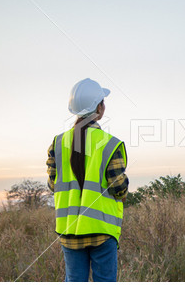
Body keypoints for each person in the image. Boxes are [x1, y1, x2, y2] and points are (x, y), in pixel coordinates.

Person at [46, 78, 129, 282]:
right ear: (99, 108)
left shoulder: (57, 143)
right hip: (102, 231)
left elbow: (52, 185)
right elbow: (119, 188)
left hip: (69, 231)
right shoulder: (110, 144)